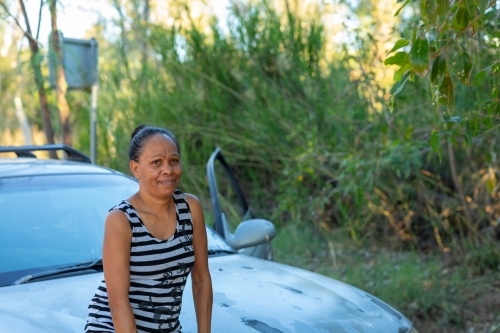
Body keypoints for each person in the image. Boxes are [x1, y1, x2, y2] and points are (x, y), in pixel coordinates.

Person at [85, 125, 212, 333]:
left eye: (174, 161)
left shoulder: (191, 208)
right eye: (156, 163)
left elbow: (201, 279)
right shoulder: (121, 220)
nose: (168, 170)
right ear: (136, 169)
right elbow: (117, 303)